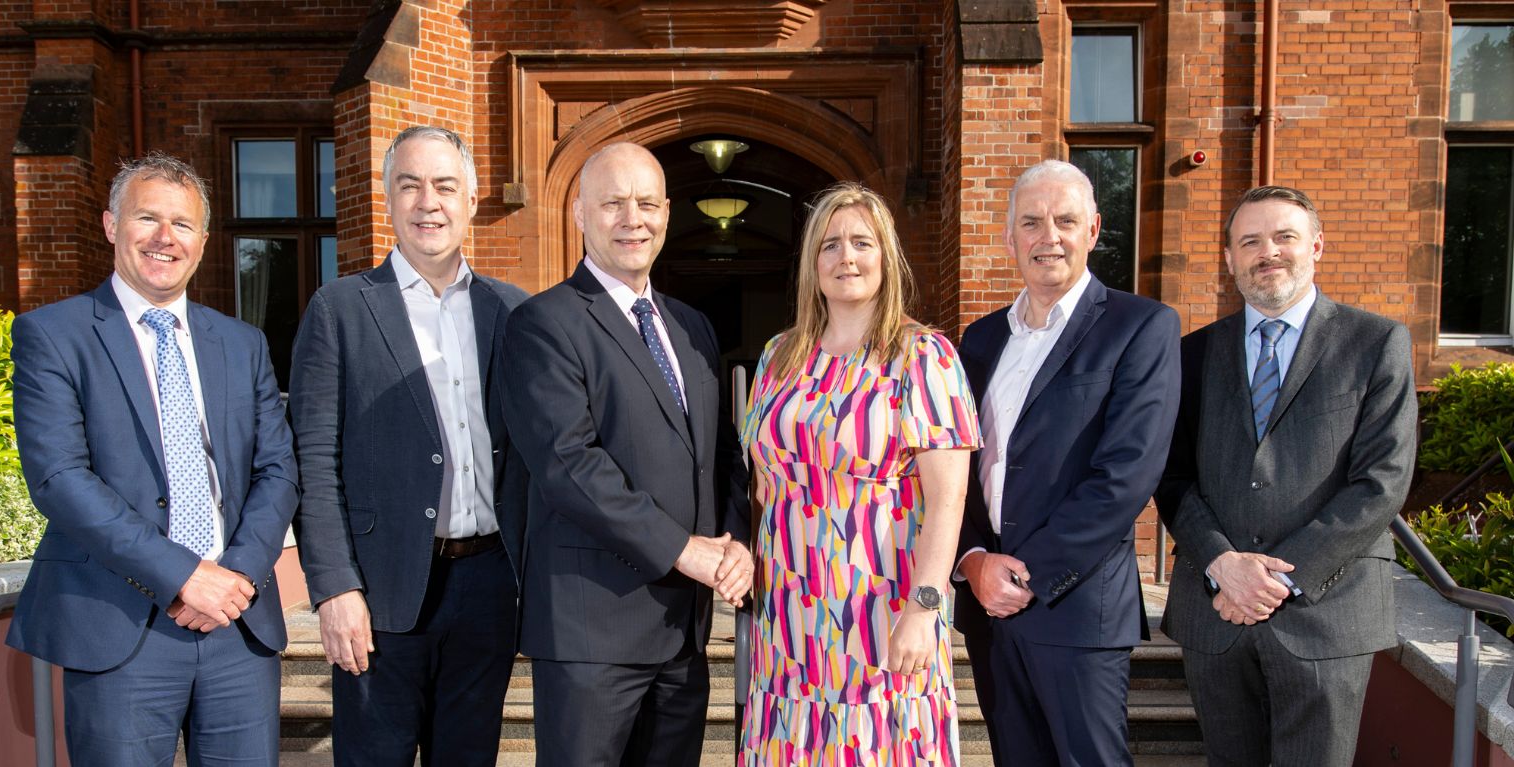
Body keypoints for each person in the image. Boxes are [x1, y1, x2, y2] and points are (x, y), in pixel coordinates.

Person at [6, 152, 298, 765]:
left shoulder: (242, 343)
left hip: (237, 625)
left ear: (203, 241)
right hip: (119, 624)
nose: (166, 237)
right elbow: (59, 477)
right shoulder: (54, 335)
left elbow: (277, 471)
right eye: (147, 218)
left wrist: (237, 577)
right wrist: (185, 576)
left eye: (183, 224)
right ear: (111, 225)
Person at [501, 141, 752, 767]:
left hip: (683, 632)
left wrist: (736, 540)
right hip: (593, 632)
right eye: (613, 203)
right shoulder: (543, 323)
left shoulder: (691, 325)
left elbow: (720, 452)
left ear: (667, 213)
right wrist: (684, 549)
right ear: (580, 214)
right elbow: (570, 465)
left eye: (646, 203)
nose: (632, 219)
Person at [288, 126, 529, 767]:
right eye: (410, 185)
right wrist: (334, 589)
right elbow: (313, 463)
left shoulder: (513, 312)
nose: (429, 202)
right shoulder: (340, 309)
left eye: (445, 186)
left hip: (488, 585)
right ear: (388, 199)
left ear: (470, 200)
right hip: (380, 588)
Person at [1155, 185, 1416, 767]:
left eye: (1284, 237)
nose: (1267, 252)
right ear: (1230, 258)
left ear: (1316, 246)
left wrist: (1274, 580)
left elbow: (1383, 479)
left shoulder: (1376, 343)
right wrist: (1223, 564)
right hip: (1216, 609)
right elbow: (1171, 477)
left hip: (1328, 612)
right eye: (1250, 241)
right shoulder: (1192, 354)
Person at [738, 182, 979, 764]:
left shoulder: (923, 356)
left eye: (862, 243)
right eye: (830, 244)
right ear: (812, 263)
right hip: (788, 615)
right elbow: (762, 482)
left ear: (886, 256)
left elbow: (948, 499)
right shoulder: (779, 355)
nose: (846, 256)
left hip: (880, 610)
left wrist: (924, 608)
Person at [952, 159, 1181, 765]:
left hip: (1076, 605)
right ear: (1010, 238)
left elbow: (1127, 473)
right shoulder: (980, 340)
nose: (1048, 236)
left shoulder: (1140, 327)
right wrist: (973, 560)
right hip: (988, 606)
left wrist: (1025, 575)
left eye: (1065, 221)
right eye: (1031, 222)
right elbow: (955, 466)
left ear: (1094, 230)